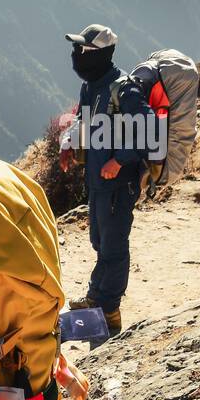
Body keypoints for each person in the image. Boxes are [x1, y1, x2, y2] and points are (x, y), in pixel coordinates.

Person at [59, 23, 152, 336]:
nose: (77, 55)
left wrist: (120, 159)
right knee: (100, 241)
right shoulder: (91, 86)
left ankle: (109, 313)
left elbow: (149, 129)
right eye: (78, 49)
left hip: (118, 183)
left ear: (101, 53)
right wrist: (69, 143)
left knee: (113, 246)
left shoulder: (123, 88)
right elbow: (85, 120)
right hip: (97, 181)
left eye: (84, 49)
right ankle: (95, 297)